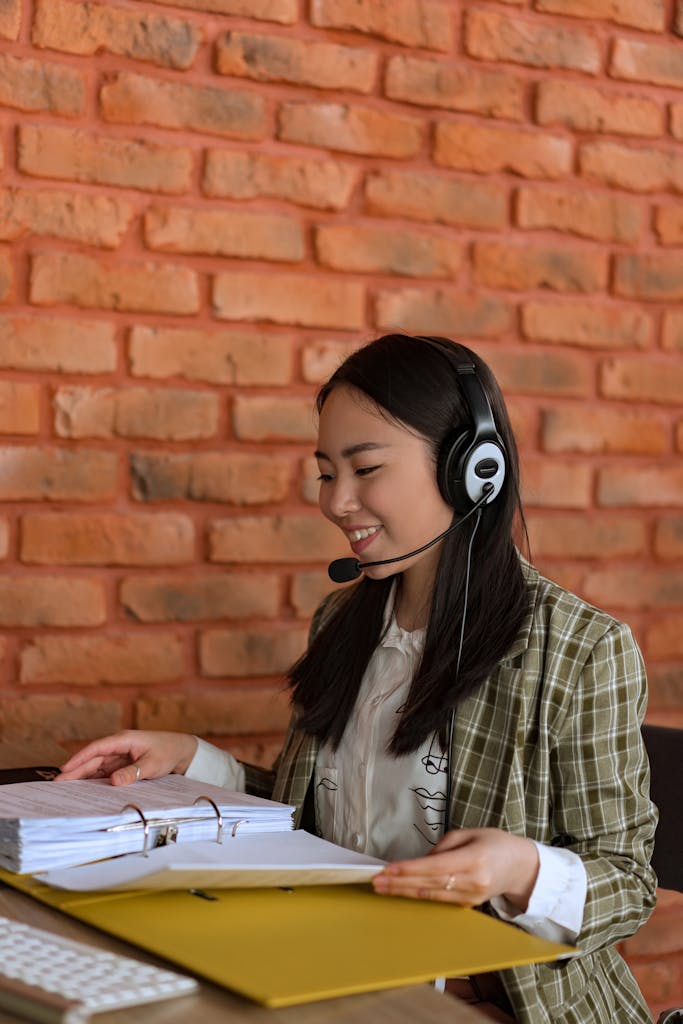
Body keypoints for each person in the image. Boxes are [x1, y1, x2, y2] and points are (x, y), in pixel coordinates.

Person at [58, 335, 657, 1024]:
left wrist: (521, 868)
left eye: (365, 468)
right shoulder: (341, 622)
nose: (336, 501)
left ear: (473, 470)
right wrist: (192, 762)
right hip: (332, 975)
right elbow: (320, 825)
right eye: (324, 473)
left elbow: (629, 882)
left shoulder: (581, 648)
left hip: (486, 1005)